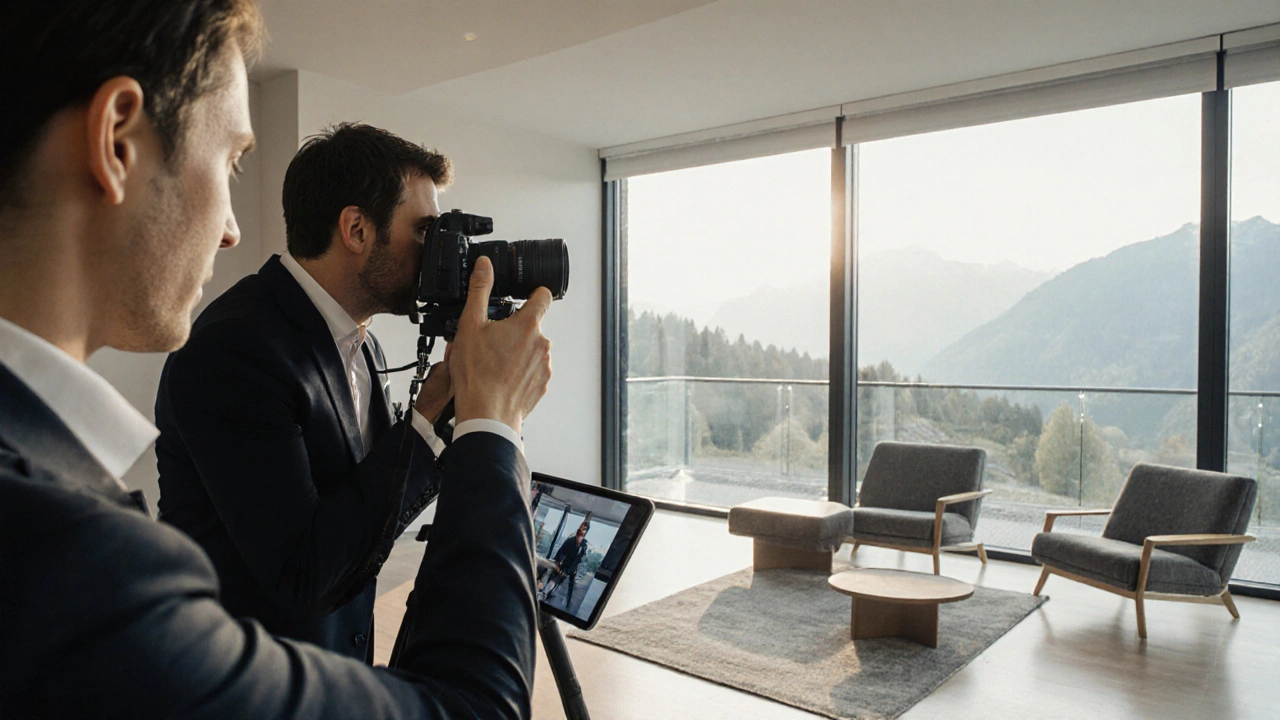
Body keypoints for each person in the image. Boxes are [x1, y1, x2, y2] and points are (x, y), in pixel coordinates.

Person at [0, 1, 551, 717]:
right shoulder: (70, 563)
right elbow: (471, 706)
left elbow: (364, 517)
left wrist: (438, 412)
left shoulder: (368, 347)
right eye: (231, 161)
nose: (233, 229)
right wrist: (491, 429)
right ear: (118, 142)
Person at [154, 123, 463, 661]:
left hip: (330, 670)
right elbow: (302, 573)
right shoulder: (235, 348)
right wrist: (428, 411)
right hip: (243, 681)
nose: (436, 252)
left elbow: (360, 515)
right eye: (423, 231)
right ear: (357, 230)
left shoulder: (365, 347)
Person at [544, 520, 591, 609]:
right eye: (580, 527)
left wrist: (573, 570)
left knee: (570, 587)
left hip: (572, 570)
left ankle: (567, 604)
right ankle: (546, 594)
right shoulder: (570, 541)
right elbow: (561, 552)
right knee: (554, 580)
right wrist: (558, 564)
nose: (581, 529)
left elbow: (580, 559)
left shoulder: (584, 545)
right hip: (563, 566)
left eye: (584, 529)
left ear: (586, 532)